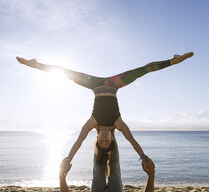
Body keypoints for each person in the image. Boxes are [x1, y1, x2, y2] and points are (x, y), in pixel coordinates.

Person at [16, 52, 193, 164]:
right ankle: (173, 61)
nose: (104, 139)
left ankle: (35, 64)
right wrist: (144, 158)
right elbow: (132, 141)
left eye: (101, 141)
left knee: (67, 73)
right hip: (113, 84)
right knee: (142, 70)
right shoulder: (118, 124)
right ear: (111, 139)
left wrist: (68, 160)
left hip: (94, 84)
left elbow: (78, 142)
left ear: (98, 139)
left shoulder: (93, 123)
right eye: (107, 141)